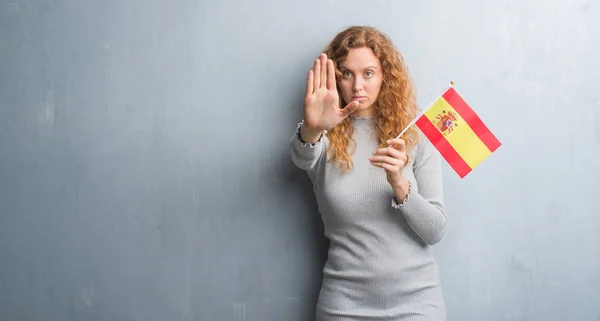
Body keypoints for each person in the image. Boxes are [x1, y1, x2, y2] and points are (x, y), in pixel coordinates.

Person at [289, 25, 447, 321]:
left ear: (385, 75)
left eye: (368, 73)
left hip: (417, 304)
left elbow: (435, 230)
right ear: (336, 77)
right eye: (347, 73)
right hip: (344, 306)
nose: (357, 86)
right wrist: (311, 128)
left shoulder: (415, 136)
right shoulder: (323, 134)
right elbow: (301, 156)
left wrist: (400, 184)